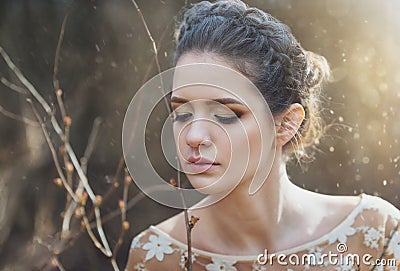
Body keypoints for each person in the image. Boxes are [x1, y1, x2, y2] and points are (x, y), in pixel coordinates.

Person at [124, 0, 400, 270]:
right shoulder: (157, 256)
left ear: (285, 124)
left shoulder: (374, 234)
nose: (193, 136)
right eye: (182, 114)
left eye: (225, 115)